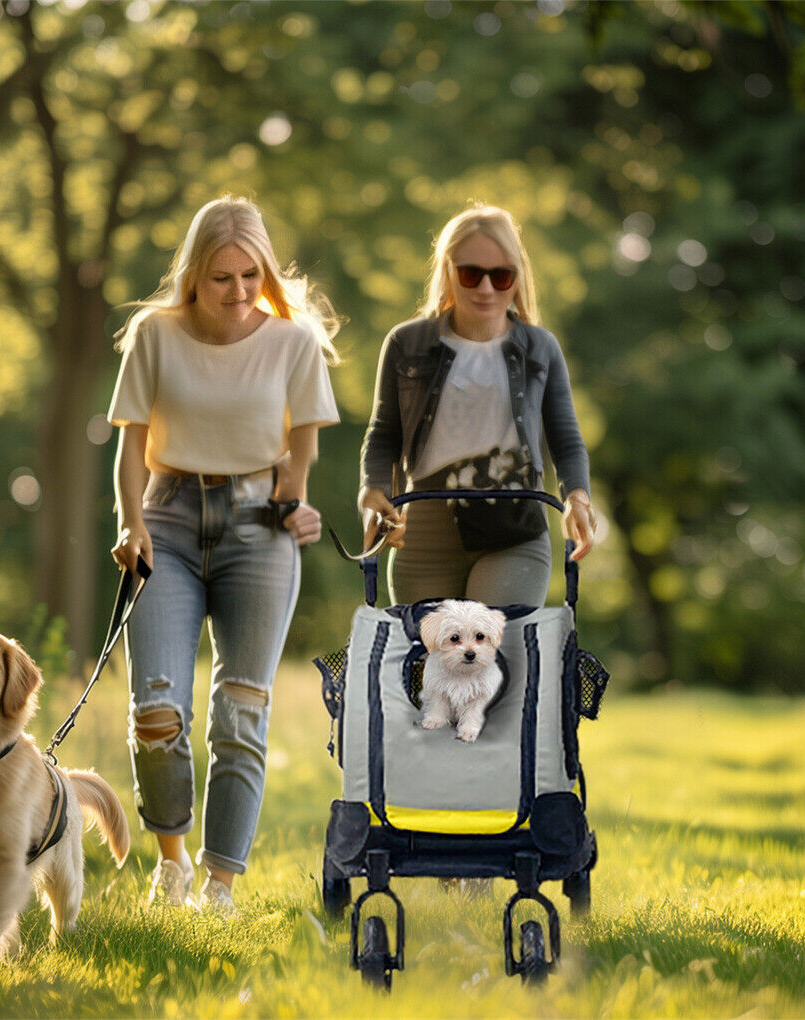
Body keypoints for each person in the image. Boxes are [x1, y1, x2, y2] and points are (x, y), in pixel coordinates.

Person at [107, 196, 339, 912]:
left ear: (264, 271)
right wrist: (129, 522)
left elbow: (303, 438)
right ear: (193, 277)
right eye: (220, 279)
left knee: (242, 711)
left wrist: (295, 499)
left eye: (250, 276)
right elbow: (130, 445)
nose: (237, 293)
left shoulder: (293, 344)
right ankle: (171, 861)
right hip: (166, 522)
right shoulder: (156, 335)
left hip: (257, 531)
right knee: (157, 712)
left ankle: (220, 884)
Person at [359, 203, 595, 609]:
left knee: (488, 656)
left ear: (518, 278)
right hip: (427, 523)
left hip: (515, 524)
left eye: (501, 276)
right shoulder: (405, 343)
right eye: (471, 274)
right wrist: (372, 492)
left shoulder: (541, 347)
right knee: (430, 664)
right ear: (448, 271)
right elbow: (383, 434)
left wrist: (578, 497)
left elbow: (566, 439)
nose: (486, 289)